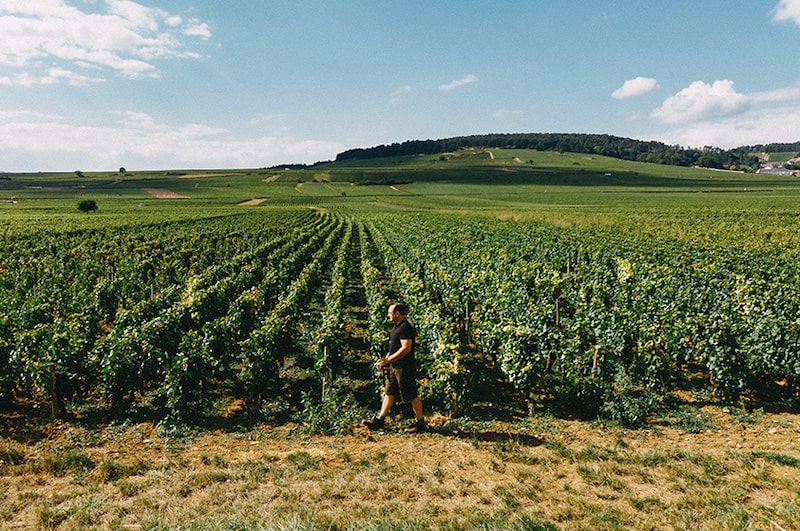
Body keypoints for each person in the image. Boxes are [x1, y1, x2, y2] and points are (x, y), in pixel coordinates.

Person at [362, 303, 427, 433]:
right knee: (389, 393)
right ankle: (380, 420)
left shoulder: (405, 328)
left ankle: (421, 423)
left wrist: (389, 360)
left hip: (404, 367)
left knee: (411, 395)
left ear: (397, 313)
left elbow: (406, 348)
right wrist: (385, 361)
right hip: (394, 366)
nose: (388, 315)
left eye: (390, 313)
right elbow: (394, 347)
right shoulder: (396, 327)